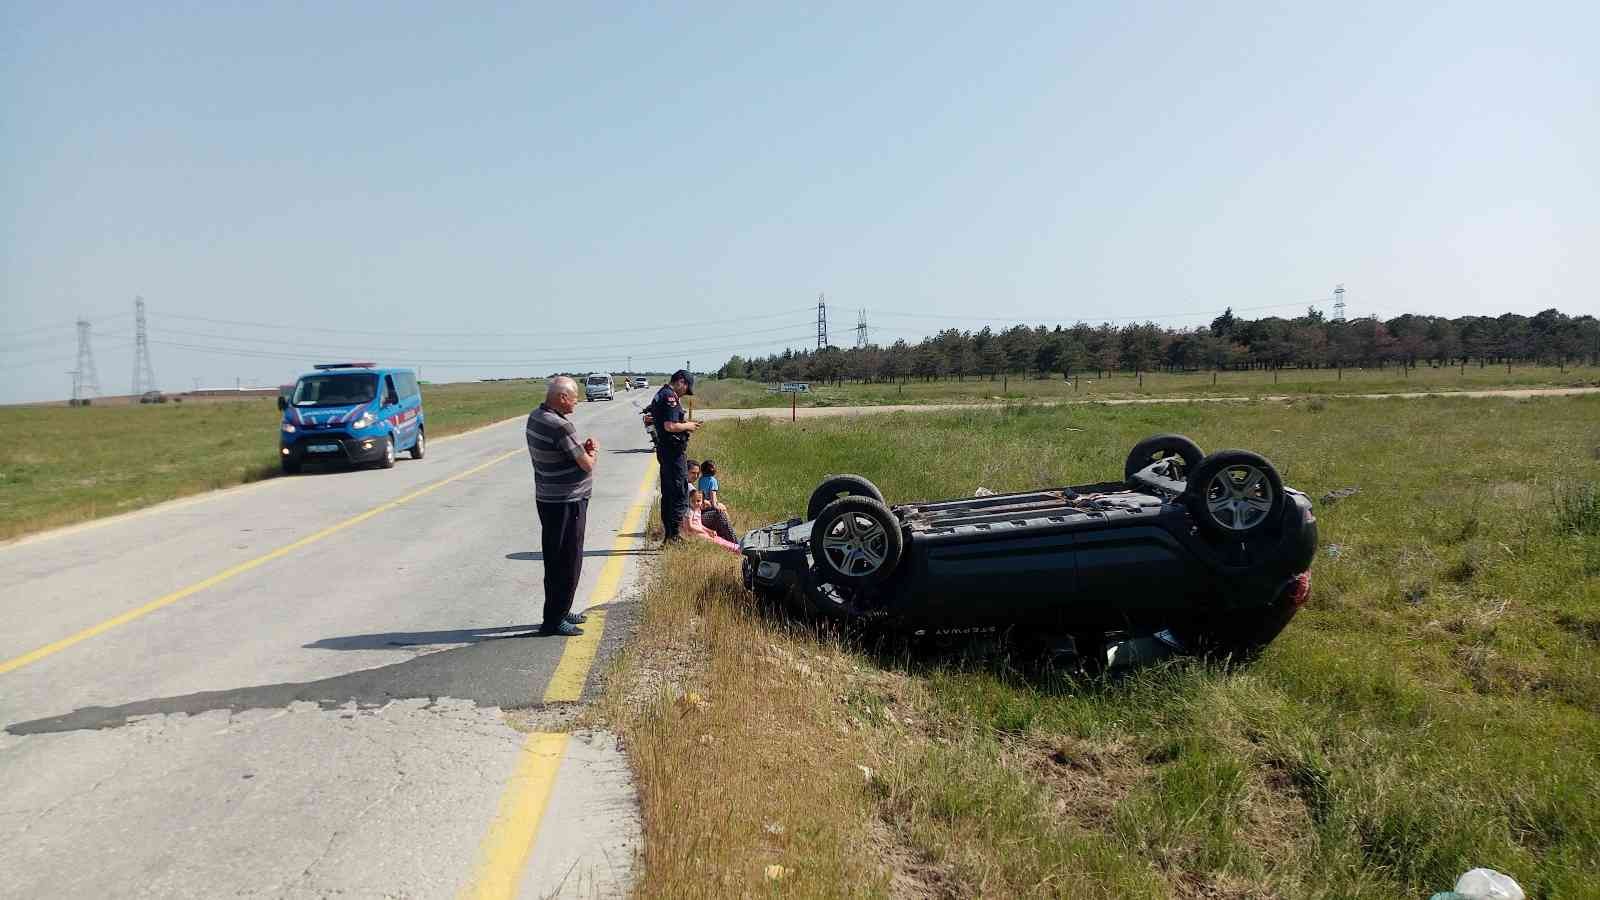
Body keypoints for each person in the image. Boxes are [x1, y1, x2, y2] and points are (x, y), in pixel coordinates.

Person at [525, 376, 598, 636]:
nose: (578, 401)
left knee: (557, 557)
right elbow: (586, 464)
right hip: (566, 501)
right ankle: (554, 619)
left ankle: (562, 608)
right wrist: (593, 451)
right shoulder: (559, 426)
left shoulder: (535, 416)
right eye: (575, 396)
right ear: (562, 397)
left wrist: (581, 450)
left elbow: (567, 453)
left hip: (548, 497)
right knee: (568, 559)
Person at [650, 370, 700, 542]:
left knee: (669, 493)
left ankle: (670, 535)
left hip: (666, 451)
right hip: (672, 452)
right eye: (685, 389)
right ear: (680, 381)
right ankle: (674, 536)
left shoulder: (661, 394)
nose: (684, 393)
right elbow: (670, 426)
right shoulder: (669, 397)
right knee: (679, 492)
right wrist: (688, 426)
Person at [681, 488, 739, 553]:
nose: (695, 503)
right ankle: (735, 549)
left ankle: (736, 546)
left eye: (698, 501)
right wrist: (703, 531)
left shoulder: (698, 510)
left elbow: (700, 525)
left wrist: (709, 531)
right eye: (692, 501)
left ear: (702, 501)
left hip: (700, 532)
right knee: (716, 541)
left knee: (717, 538)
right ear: (689, 501)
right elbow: (690, 526)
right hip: (694, 534)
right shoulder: (689, 512)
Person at [697, 459, 739, 544]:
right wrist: (715, 505)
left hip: (703, 505)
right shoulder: (713, 480)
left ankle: (725, 532)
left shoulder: (701, 479)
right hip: (710, 505)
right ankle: (731, 537)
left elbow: (701, 493)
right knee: (723, 511)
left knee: (723, 508)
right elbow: (713, 495)